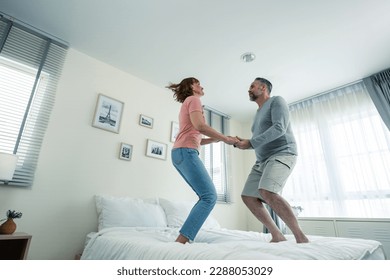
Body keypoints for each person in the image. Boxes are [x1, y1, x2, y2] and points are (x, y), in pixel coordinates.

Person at [234, 77, 309, 243]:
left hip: (282, 153)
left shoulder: (277, 101)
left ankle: (300, 237)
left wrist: (251, 143)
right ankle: (277, 234)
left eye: (252, 86)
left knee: (267, 191)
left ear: (263, 87)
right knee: (248, 196)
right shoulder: (258, 112)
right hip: (261, 161)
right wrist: (245, 142)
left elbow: (279, 128)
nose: (249, 89)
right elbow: (258, 137)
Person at [166, 77, 238, 244]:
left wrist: (215, 139)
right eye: (197, 83)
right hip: (186, 152)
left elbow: (195, 135)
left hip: (179, 153)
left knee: (205, 196)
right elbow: (200, 126)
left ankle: (183, 238)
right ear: (190, 87)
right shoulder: (194, 99)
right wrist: (225, 139)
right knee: (209, 196)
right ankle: (181, 241)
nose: (201, 85)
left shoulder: (188, 102)